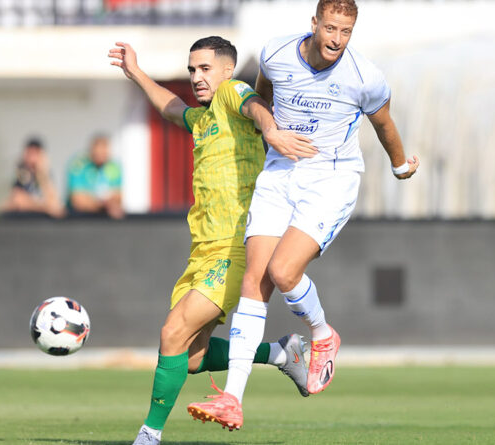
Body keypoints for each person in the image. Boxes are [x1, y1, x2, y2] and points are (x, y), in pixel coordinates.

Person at [187, 0, 420, 430]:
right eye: (330, 28)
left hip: (330, 180)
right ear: (314, 24)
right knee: (255, 283)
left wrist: (400, 164)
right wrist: (269, 132)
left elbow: (384, 125)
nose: (336, 39)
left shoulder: (364, 76)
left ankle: (322, 334)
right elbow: (262, 93)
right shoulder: (276, 53)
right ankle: (232, 400)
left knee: (283, 272)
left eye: (345, 32)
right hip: (278, 175)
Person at [109, 36, 318, 444]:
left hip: (235, 247)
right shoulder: (203, 120)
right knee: (191, 358)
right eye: (191, 70)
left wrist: (271, 130)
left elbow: (254, 105)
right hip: (202, 253)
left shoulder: (231, 93)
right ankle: (281, 353)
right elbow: (174, 109)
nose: (197, 77)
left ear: (225, 70)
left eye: (204, 69)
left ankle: (149, 435)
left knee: (172, 332)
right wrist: (135, 72)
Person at [1, 137, 64, 218]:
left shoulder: (46, 176)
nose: (32, 159)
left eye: (36, 154)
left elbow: (56, 208)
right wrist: (45, 207)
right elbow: (17, 200)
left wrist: (43, 174)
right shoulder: (20, 174)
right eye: (29, 154)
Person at [66, 135, 125, 219]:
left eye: (104, 149)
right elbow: (78, 200)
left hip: (104, 222)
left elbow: (119, 196)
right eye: (98, 149)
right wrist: (103, 204)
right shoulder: (79, 166)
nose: (101, 153)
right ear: (92, 150)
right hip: (79, 219)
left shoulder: (114, 167)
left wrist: (107, 203)